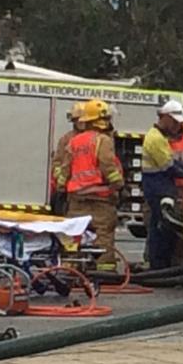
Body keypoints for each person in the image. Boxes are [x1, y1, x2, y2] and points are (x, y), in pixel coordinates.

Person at [58, 99, 124, 271]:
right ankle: (105, 272)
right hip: (100, 198)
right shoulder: (103, 140)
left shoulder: (74, 142)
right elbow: (108, 164)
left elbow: (65, 168)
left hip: (76, 199)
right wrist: (117, 183)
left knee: (74, 236)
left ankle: (72, 270)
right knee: (102, 234)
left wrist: (61, 187)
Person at [142, 100, 183, 269]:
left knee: (162, 225)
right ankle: (159, 264)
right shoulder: (155, 138)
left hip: (160, 186)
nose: (176, 126)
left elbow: (171, 162)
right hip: (158, 187)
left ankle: (160, 262)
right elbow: (168, 166)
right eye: (173, 121)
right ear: (164, 117)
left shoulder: (159, 136)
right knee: (161, 226)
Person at [50, 101, 85, 215]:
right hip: (67, 191)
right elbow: (57, 163)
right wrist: (62, 182)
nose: (81, 123)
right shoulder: (66, 139)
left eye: (83, 120)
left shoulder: (97, 139)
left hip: (87, 191)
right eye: (78, 120)